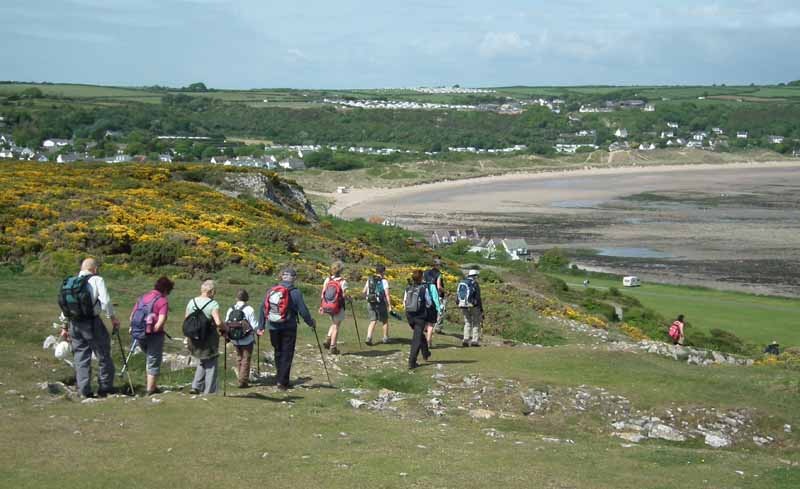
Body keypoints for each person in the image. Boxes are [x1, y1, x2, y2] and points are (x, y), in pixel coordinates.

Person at [59, 257, 121, 398]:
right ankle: (105, 388)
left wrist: (64, 326)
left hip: (74, 323)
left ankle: (84, 390)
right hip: (92, 323)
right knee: (103, 354)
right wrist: (113, 319)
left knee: (81, 356)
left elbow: (65, 307)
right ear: (94, 269)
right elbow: (106, 302)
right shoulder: (97, 280)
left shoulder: (70, 283)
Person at [260, 267, 317, 391]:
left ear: (282, 277)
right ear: (293, 278)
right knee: (287, 353)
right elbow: (303, 310)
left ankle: (279, 377)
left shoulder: (271, 290)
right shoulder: (295, 292)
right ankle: (282, 381)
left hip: (273, 326)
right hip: (289, 327)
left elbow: (262, 308)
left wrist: (261, 326)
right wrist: (310, 323)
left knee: (278, 351)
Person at [129, 276, 174, 396]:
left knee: (149, 358)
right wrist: (155, 330)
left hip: (139, 333)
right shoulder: (162, 301)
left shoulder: (143, 297)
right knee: (153, 360)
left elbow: (132, 316)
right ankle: (150, 390)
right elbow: (161, 319)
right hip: (154, 335)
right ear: (166, 290)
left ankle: (151, 385)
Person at [186, 280, 223, 395]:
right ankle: (209, 391)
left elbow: (186, 318)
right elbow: (217, 322)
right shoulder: (213, 304)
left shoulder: (191, 302)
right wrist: (224, 327)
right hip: (208, 338)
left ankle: (196, 386)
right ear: (211, 291)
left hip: (194, 337)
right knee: (211, 362)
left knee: (202, 360)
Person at [224, 289, 262, 388]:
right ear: (247, 298)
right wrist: (258, 331)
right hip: (247, 338)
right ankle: (243, 381)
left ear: (236, 298)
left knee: (239, 357)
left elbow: (226, 322)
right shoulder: (249, 309)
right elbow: (254, 325)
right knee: (246, 358)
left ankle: (241, 377)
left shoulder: (231, 309)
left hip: (234, 338)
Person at [404, 270, 432, 369]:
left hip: (409, 316)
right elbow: (429, 303)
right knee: (417, 338)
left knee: (418, 334)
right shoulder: (424, 289)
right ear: (421, 278)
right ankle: (412, 362)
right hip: (420, 316)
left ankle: (426, 353)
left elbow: (405, 302)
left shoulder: (408, 288)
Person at [320, 260, 349, 355]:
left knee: (333, 322)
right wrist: (350, 298)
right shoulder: (343, 281)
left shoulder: (328, 280)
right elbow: (344, 295)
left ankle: (328, 339)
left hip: (328, 305)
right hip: (338, 306)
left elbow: (323, 293)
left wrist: (322, 306)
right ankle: (333, 347)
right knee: (336, 325)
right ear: (341, 270)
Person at [363, 264, 392, 345]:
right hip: (380, 303)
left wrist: (367, 298)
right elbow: (387, 294)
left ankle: (368, 337)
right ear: (383, 272)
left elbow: (364, 291)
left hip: (370, 302)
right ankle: (385, 338)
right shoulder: (384, 281)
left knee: (373, 320)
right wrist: (389, 305)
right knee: (385, 320)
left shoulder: (369, 279)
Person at [460, 269, 484, 347]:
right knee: (476, 322)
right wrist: (481, 309)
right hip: (473, 305)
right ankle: (474, 341)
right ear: (475, 276)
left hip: (463, 305)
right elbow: (478, 297)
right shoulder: (475, 284)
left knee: (467, 322)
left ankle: (465, 339)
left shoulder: (462, 282)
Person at [425, 258, 446, 334]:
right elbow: (439, 286)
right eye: (440, 265)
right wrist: (446, 291)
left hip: (427, 293)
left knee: (428, 310)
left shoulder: (426, 272)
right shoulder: (438, 274)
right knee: (440, 310)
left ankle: (426, 326)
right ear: (438, 265)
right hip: (437, 294)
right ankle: (437, 328)